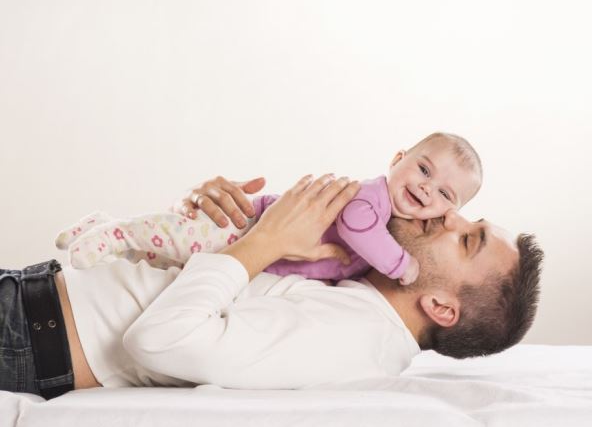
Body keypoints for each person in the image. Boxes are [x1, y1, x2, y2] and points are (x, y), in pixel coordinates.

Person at [0, 174, 543, 400]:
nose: (447, 214)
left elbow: (160, 340)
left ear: (442, 307)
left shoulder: (354, 338)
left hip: (25, 333)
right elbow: (193, 284)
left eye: (467, 239)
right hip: (28, 305)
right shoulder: (354, 282)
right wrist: (214, 220)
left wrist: (264, 243)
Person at [55, 132, 482, 285]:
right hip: (246, 226)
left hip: (252, 259)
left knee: (166, 259)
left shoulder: (388, 229)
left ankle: (105, 228)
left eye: (445, 194)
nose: (426, 189)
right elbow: (355, 229)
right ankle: (119, 232)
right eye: (423, 169)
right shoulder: (370, 201)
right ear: (397, 159)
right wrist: (403, 266)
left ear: (451, 214)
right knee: (179, 239)